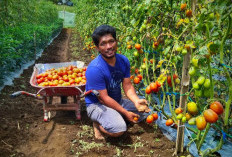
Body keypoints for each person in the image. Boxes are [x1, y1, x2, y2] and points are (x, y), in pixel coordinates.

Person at [85, 24, 150, 140]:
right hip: (97, 105)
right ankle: (98, 124)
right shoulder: (95, 69)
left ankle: (116, 115)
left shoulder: (123, 60)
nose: (109, 46)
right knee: (119, 129)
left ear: (116, 41)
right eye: (103, 44)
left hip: (117, 101)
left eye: (111, 41)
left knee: (146, 110)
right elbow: (104, 98)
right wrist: (125, 112)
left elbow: (127, 85)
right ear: (97, 48)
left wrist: (136, 101)